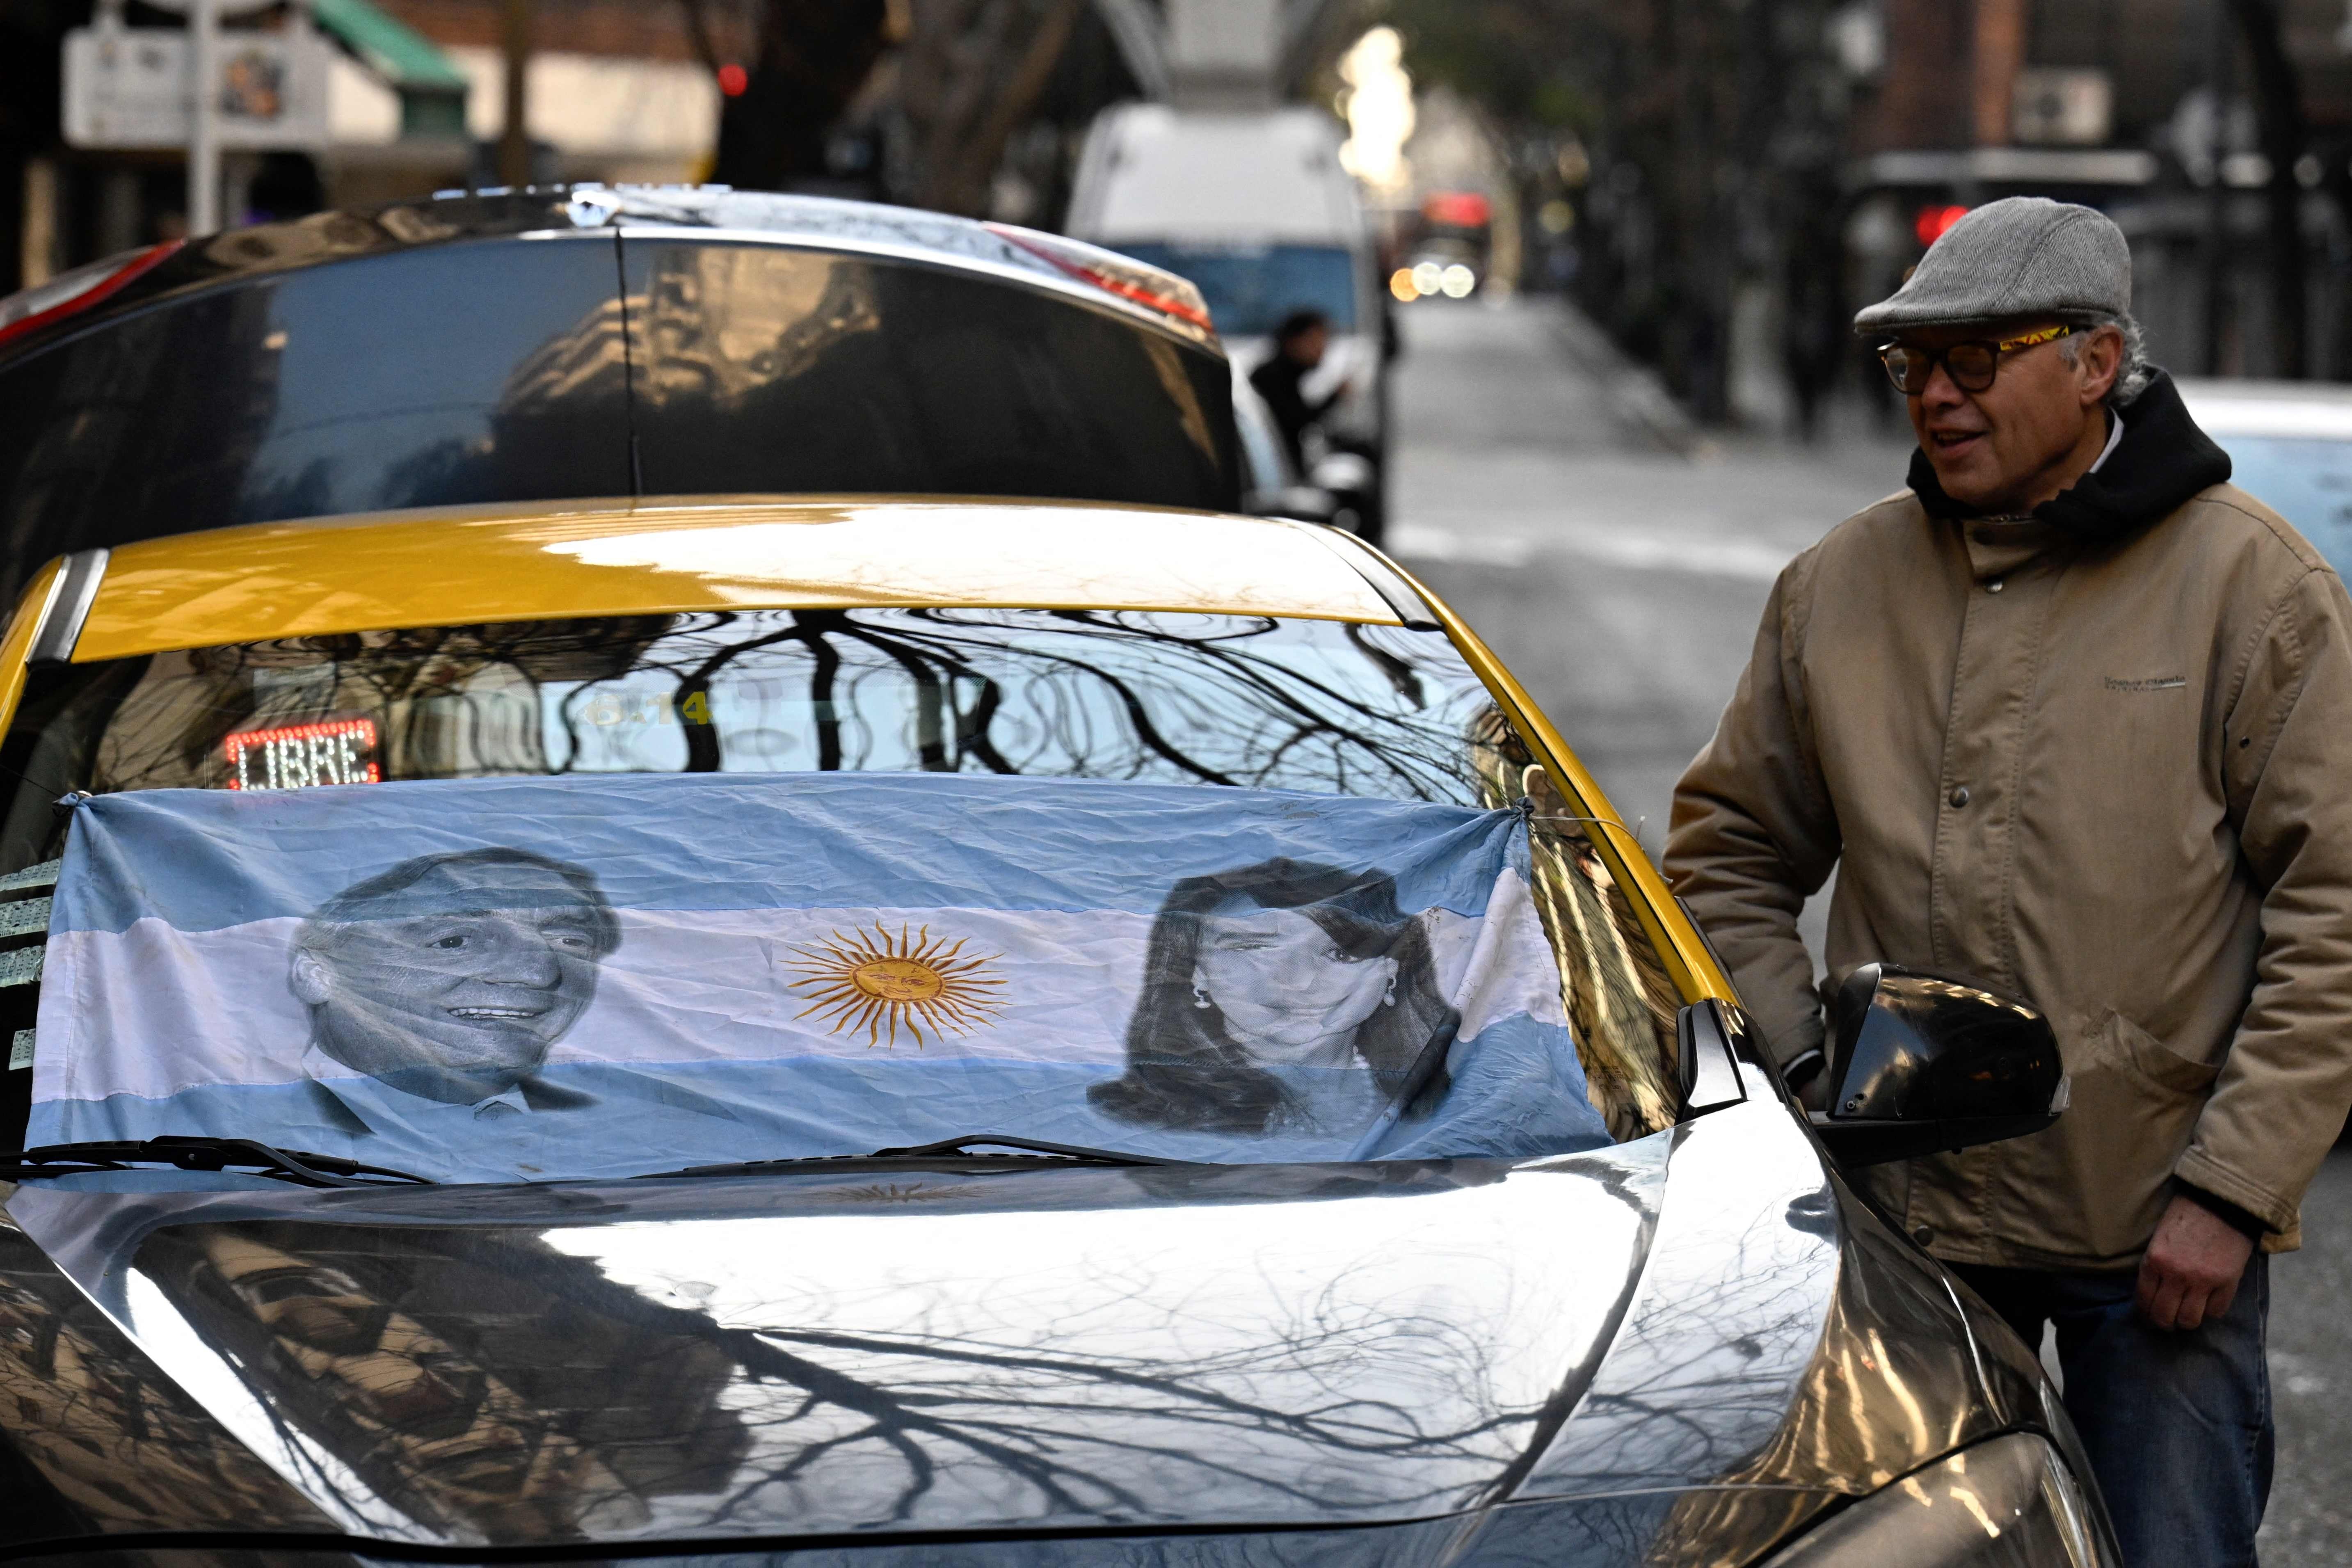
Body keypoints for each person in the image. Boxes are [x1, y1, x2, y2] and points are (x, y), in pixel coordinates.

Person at [1666, 196, 2352, 1566]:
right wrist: (1811, 1075)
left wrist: (2229, 1190)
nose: (1933, 393)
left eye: (1973, 360)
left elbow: (2333, 909)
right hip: (1900, 1234)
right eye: (1911, 365)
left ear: (2095, 363)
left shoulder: (2252, 591)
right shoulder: (1840, 584)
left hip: (2149, 1238)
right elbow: (1725, 852)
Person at [1089, 857, 1456, 1136]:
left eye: (1340, 954)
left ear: (1390, 973)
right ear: (1195, 973)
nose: (1295, 983)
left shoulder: (1462, 1105)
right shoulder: (1122, 1128)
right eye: (1254, 948)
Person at [290, 847, 619, 1124]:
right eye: (453, 941)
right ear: (317, 976)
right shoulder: (254, 1129)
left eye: (569, 941)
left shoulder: (621, 1126)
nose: (540, 973)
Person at [1248, 310, 1353, 473]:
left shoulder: (1288, 377)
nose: (1321, 349)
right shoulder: (1270, 378)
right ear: (1292, 342)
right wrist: (1334, 397)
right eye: (1313, 341)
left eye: (1324, 341)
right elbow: (1296, 420)